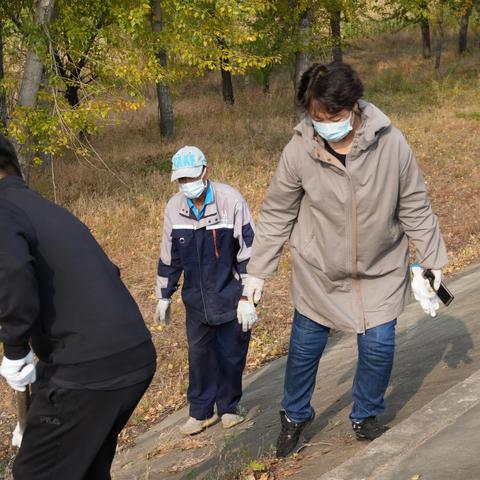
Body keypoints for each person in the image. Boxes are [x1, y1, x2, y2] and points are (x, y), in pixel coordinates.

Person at [244, 61, 448, 458]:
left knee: (378, 349)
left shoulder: (391, 144)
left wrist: (433, 261)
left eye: (333, 116)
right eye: (316, 117)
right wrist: (257, 273)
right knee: (303, 353)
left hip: (380, 269)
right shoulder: (300, 149)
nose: (324, 124)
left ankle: (366, 414)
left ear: (354, 106)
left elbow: (415, 206)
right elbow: (276, 213)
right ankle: (294, 417)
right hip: (319, 273)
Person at [0, 133, 156, 479]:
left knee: (34, 473)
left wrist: (14, 348)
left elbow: (11, 273)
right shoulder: (46, 210)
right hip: (131, 355)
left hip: (89, 369)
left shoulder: (5, 210)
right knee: (85, 469)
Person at [154, 146, 257, 435]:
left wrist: (249, 296)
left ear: (205, 171)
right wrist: (164, 295)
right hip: (196, 301)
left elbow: (250, 252)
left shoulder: (230, 201)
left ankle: (229, 407)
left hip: (231, 296)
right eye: (181, 181)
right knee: (199, 355)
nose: (187, 185)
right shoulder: (175, 208)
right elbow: (169, 256)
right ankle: (200, 412)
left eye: (191, 178)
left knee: (231, 353)